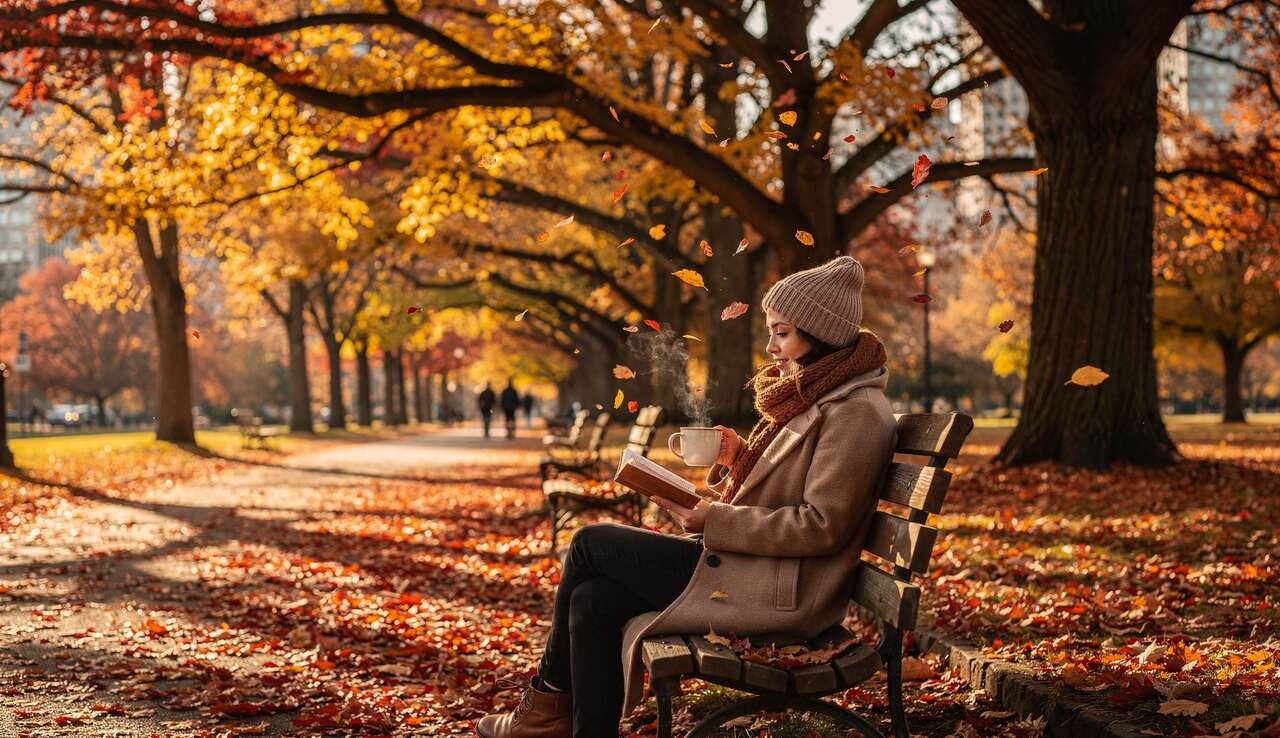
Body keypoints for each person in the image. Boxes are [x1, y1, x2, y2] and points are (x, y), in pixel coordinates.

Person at [475, 256, 898, 738]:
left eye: (782, 333)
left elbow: (822, 525)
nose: (770, 346)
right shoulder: (819, 395)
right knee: (593, 599)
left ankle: (543, 711)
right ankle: (569, 726)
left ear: (820, 333)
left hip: (783, 592)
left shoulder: (854, 412)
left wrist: (712, 520)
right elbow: (791, 494)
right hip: (756, 568)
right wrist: (738, 461)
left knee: (590, 544)